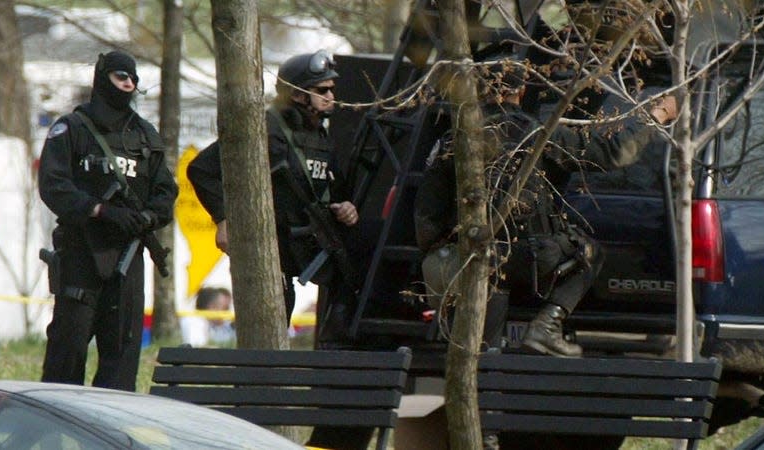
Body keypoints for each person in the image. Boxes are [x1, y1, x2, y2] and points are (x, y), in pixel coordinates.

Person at [414, 62, 678, 357]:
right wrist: (656, 115)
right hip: (532, 257)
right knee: (589, 254)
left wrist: (440, 253)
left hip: (473, 259)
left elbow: (427, 214)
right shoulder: (537, 134)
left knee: (480, 357)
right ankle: (546, 326)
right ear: (521, 91)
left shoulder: (453, 139)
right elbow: (613, 152)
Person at [187, 49, 360, 335]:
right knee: (271, 327)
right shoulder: (265, 129)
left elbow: (334, 186)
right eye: (322, 90)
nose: (331, 96)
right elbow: (202, 170)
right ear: (298, 95)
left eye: (332, 89)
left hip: (306, 243)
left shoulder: (321, 135)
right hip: (269, 250)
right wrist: (224, 220)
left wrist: (346, 207)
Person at [38, 51, 178, 391]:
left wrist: (146, 217)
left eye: (133, 78)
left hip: (128, 257)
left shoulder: (145, 136)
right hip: (82, 253)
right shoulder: (72, 128)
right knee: (67, 355)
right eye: (120, 77)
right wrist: (99, 210)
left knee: (122, 358)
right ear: (102, 79)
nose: (129, 84)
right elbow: (53, 185)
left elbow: (165, 192)